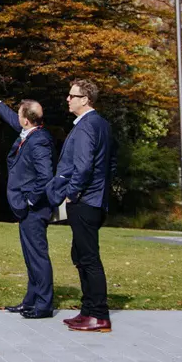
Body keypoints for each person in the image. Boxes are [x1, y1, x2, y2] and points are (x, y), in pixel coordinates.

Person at [0, 84, 56, 319]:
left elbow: (46, 177)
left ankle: (43, 306)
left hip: (33, 209)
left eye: (19, 113)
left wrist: (29, 201)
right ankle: (30, 301)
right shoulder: (30, 131)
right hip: (27, 209)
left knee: (38, 256)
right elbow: (12, 120)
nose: (17, 116)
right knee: (30, 256)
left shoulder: (39, 141)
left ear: (26, 120)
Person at [46, 79, 114, 333]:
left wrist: (72, 194)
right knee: (81, 256)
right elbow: (110, 163)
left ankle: (99, 315)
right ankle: (88, 311)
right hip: (95, 199)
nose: (68, 99)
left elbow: (84, 166)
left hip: (85, 201)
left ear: (85, 99)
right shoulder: (101, 124)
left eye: (72, 95)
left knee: (88, 258)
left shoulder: (87, 126)